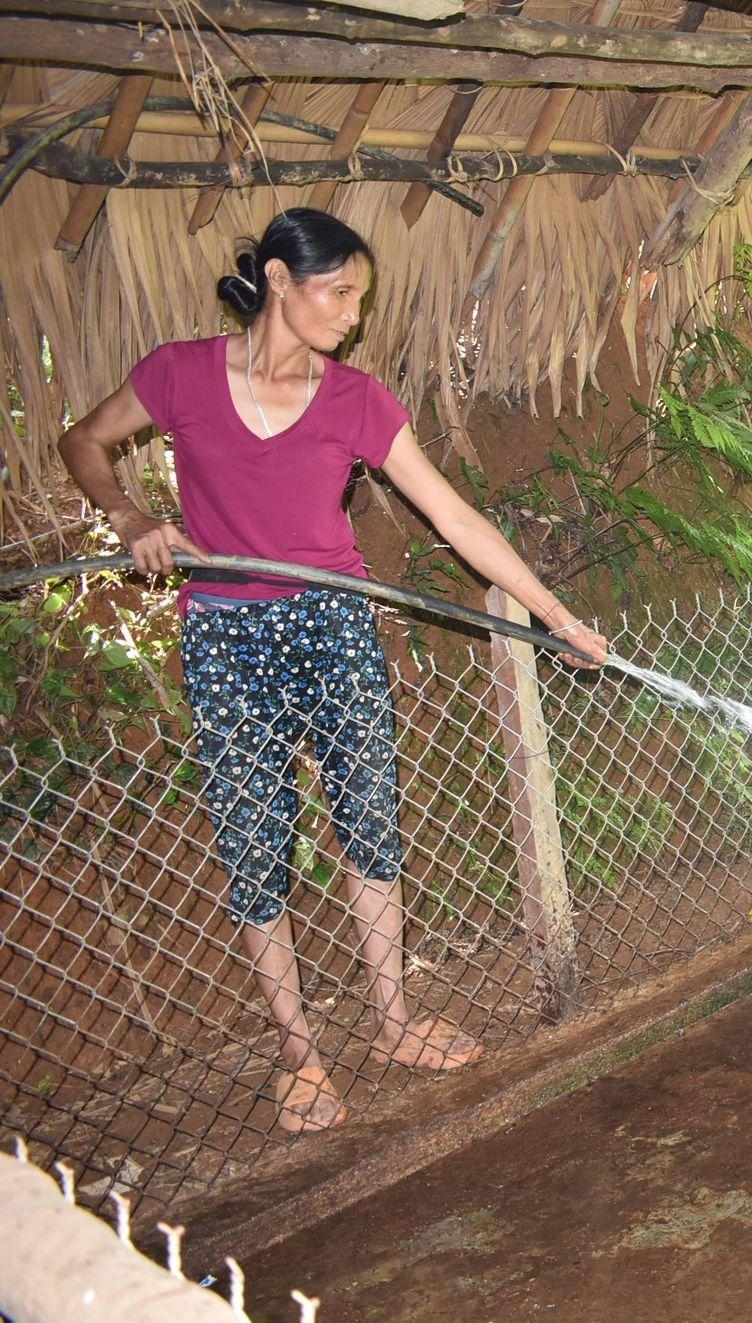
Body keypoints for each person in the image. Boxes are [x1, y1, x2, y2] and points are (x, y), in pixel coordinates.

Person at [58, 207, 609, 1134]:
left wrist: (555, 618)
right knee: (254, 832)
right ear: (279, 279)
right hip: (226, 629)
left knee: (368, 818)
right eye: (340, 292)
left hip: (333, 621)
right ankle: (298, 1054)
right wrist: (127, 517)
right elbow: (81, 440)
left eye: (359, 297)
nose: (353, 314)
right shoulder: (180, 374)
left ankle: (393, 1022)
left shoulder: (355, 399)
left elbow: (457, 520)